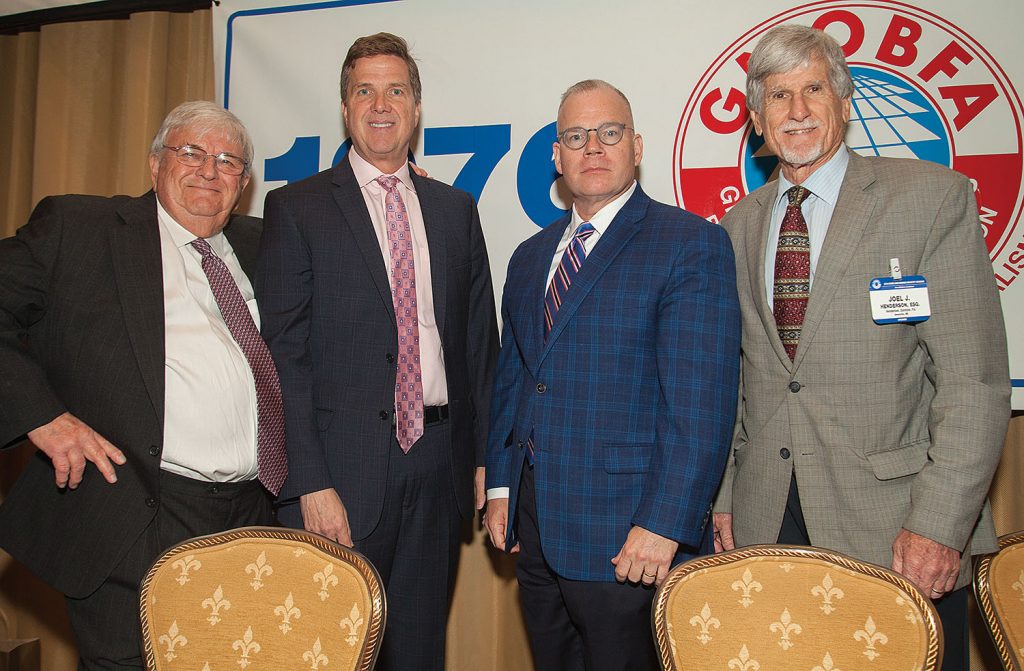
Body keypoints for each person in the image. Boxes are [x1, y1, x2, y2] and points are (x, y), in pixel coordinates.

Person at [712, 24, 1010, 670]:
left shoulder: (930, 199)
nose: (797, 111)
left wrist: (939, 523)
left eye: (813, 89)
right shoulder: (737, 228)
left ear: (843, 101)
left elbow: (974, 382)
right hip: (772, 524)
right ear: (757, 120)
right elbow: (737, 379)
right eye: (779, 96)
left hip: (898, 525)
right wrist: (729, 497)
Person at [0, 101, 283, 670]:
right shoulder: (79, 230)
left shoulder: (266, 244)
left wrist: (403, 190)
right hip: (133, 515)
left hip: (252, 521)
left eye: (229, 161)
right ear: (155, 165)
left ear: (244, 183)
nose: (210, 170)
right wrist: (41, 415)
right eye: (192, 152)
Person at [256, 32, 498, 670]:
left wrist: (482, 460)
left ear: (417, 108)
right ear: (345, 107)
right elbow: (282, 358)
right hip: (339, 478)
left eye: (396, 90)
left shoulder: (455, 210)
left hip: (437, 467)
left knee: (419, 654)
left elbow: (479, 345)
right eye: (365, 90)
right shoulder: (296, 209)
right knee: (328, 653)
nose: (381, 103)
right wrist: (309, 480)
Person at [484, 79, 741, 670]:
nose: (592, 148)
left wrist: (664, 523)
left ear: (637, 146)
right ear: (556, 156)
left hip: (629, 538)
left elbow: (701, 406)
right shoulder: (529, 257)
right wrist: (502, 486)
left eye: (609, 133)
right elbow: (516, 379)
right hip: (537, 531)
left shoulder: (689, 244)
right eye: (575, 136)